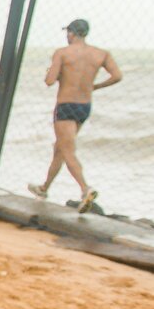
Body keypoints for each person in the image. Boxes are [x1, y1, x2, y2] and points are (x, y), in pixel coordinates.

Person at [30, 18, 121, 213]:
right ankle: (44, 188)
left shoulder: (62, 53)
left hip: (66, 105)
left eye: (67, 33)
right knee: (60, 148)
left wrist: (52, 68)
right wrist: (95, 86)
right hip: (84, 106)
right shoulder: (101, 54)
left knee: (67, 149)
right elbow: (117, 76)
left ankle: (85, 189)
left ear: (71, 33)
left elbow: (49, 80)